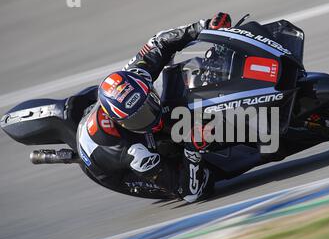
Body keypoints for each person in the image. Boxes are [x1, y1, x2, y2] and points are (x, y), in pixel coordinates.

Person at [76, 13, 232, 202]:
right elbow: (190, 193)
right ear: (122, 122)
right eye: (138, 118)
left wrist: (205, 26)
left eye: (148, 104)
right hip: (116, 171)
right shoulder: (134, 154)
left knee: (180, 83)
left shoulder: (137, 75)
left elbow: (159, 42)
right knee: (206, 181)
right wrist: (192, 149)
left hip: (113, 117)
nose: (151, 118)